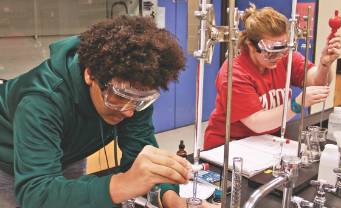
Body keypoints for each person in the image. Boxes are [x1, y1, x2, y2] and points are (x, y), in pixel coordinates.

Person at [0, 15, 205, 208]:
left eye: (140, 100)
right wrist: (124, 183)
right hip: (10, 161)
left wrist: (169, 197)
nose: (128, 112)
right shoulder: (41, 101)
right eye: (120, 97)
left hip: (68, 152)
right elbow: (35, 193)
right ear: (90, 74)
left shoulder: (134, 89)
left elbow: (140, 154)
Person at [204, 4, 341, 150]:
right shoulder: (234, 73)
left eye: (282, 50)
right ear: (251, 45)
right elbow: (257, 123)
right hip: (228, 145)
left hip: (265, 141)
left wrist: (325, 64)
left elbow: (317, 82)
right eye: (271, 52)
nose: (278, 57)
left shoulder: (285, 58)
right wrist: (296, 104)